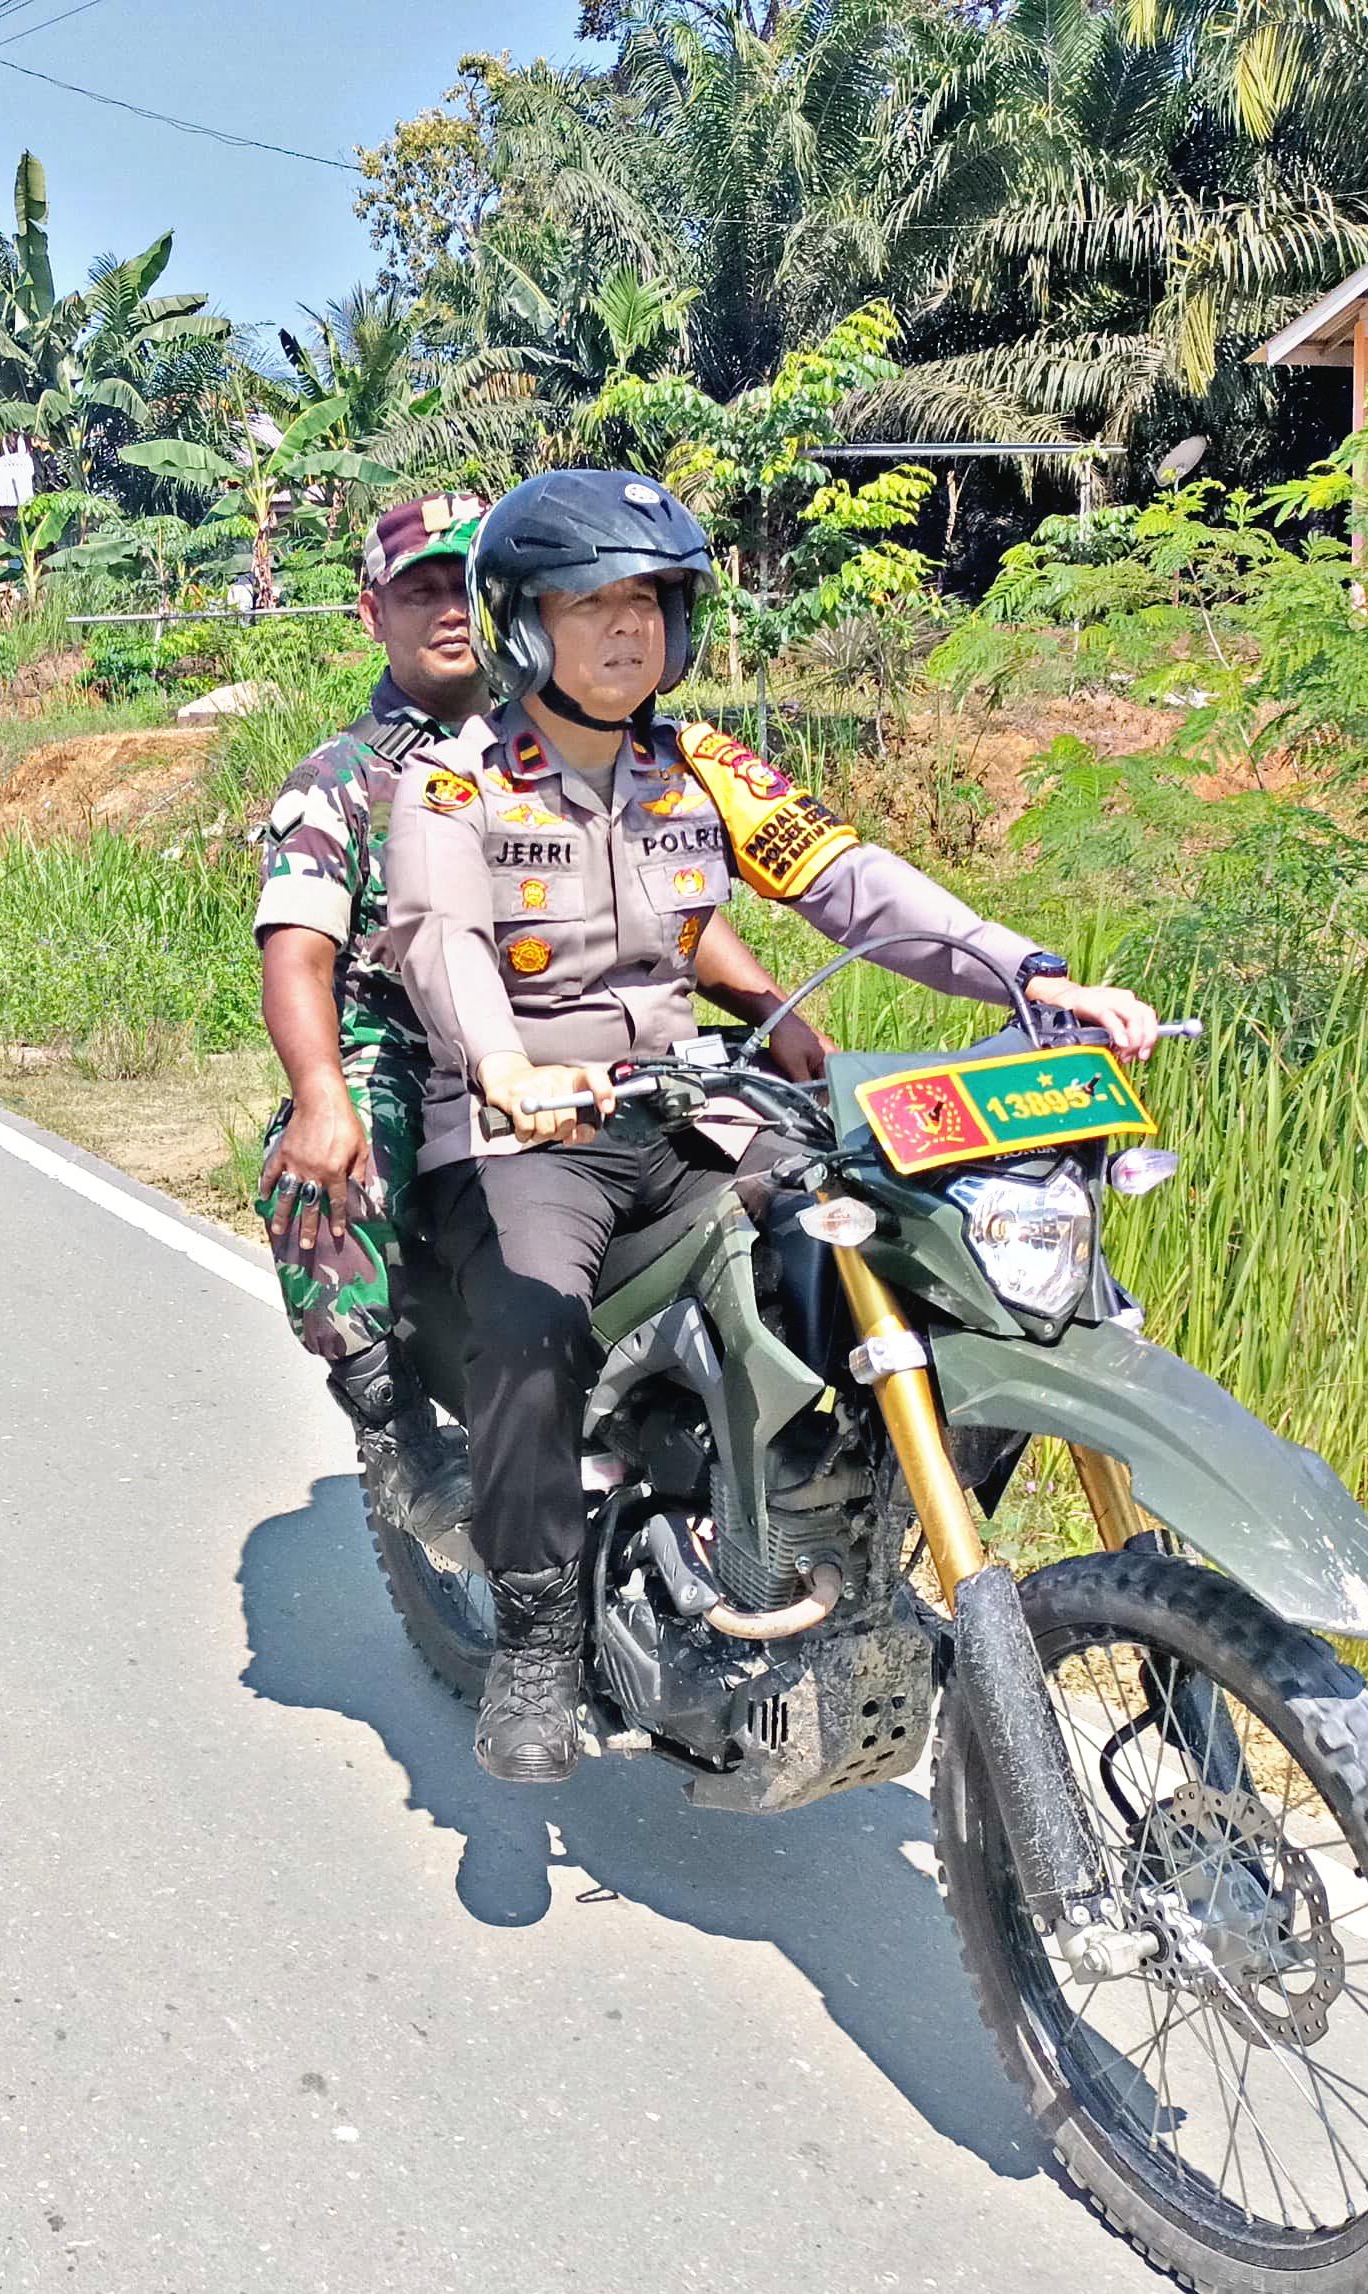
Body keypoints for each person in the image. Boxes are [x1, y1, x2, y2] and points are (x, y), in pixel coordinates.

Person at [386, 470, 1159, 1784]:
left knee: (891, 1231)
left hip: (690, 1099)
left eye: (650, 601)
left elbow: (856, 884)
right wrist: (504, 1062)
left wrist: (1031, 974)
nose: (629, 629)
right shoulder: (454, 786)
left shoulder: (702, 770)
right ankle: (532, 1631)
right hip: (529, 1127)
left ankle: (835, 1530)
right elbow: (441, 942)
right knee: (530, 1319)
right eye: (592, 604)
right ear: (523, 622)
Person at [257, 493, 837, 1550]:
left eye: (458, 587)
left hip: (595, 1047)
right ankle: (394, 1427)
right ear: (370, 612)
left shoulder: (599, 733)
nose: (442, 611)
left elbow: (665, 914)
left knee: (818, 1164)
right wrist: (318, 1093)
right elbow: (298, 945)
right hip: (407, 1042)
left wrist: (766, 1006)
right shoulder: (347, 777)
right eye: (416, 589)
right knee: (328, 1167)